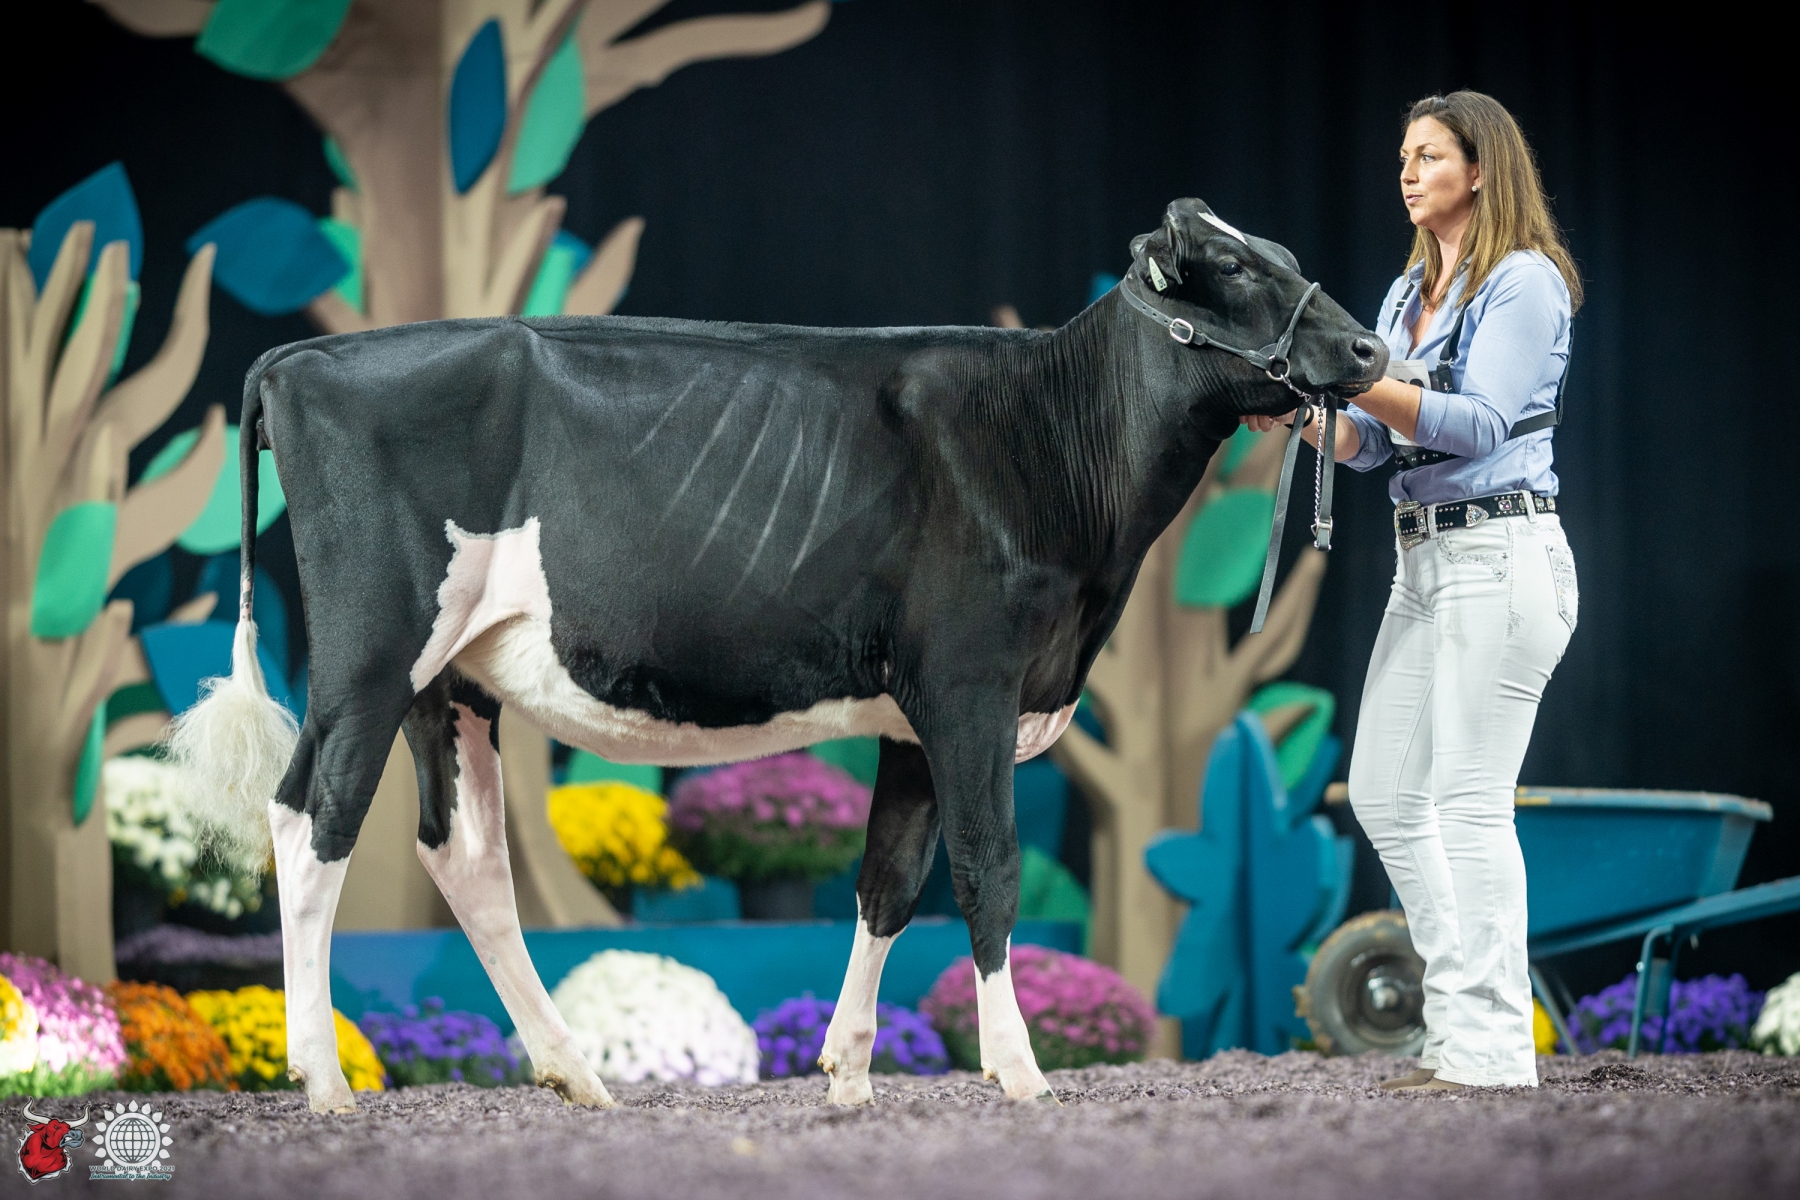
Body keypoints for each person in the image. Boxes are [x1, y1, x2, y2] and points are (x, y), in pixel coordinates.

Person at [1246, 90, 1581, 1090]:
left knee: (1470, 804)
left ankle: (1492, 1049)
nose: (1407, 171)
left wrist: (1350, 380)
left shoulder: (1525, 281)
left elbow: (1479, 425)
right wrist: (1298, 411)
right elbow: (1370, 444)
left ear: (1480, 169)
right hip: (1424, 561)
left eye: (1429, 155)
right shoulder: (1404, 295)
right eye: (1403, 156)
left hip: (1503, 555)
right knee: (1388, 795)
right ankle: (1458, 1029)